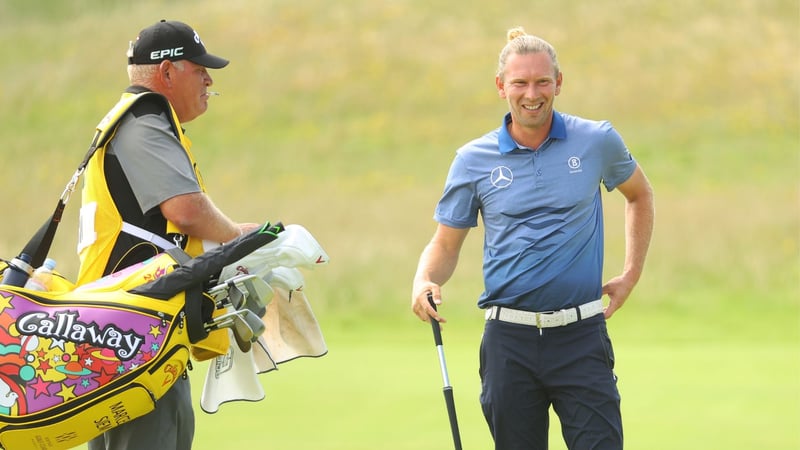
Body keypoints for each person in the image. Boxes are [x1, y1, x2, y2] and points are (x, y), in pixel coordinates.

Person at [411, 26, 654, 450]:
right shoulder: (473, 160)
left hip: (581, 336)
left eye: (543, 81)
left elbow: (640, 194)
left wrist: (630, 275)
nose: (532, 93)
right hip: (510, 343)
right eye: (520, 82)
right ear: (501, 86)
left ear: (559, 83)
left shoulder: (595, 140)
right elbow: (445, 245)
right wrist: (424, 278)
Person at [76, 20, 260, 450]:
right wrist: (239, 239)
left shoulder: (143, 121)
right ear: (168, 73)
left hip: (130, 336)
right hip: (130, 339)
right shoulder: (144, 123)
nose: (209, 79)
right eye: (199, 68)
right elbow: (186, 209)